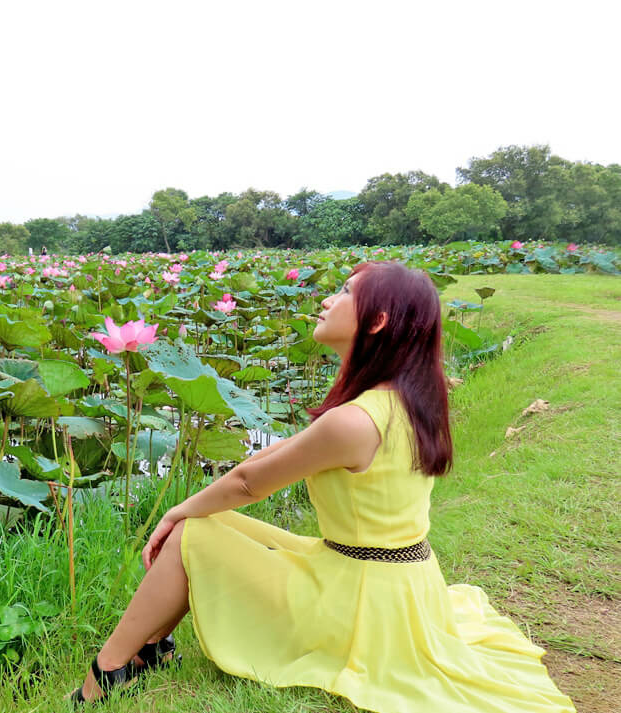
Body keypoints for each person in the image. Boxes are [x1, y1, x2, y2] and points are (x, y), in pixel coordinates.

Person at [68, 261, 574, 712]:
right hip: (400, 584)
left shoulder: (354, 422)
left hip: (356, 601)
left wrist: (176, 511)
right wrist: (197, 506)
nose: (327, 300)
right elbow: (283, 451)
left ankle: (106, 672)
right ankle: (150, 647)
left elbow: (247, 483)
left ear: (376, 322)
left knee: (192, 532)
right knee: (206, 523)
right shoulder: (405, 399)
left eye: (346, 293)